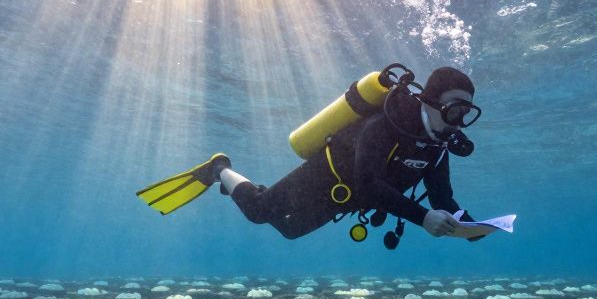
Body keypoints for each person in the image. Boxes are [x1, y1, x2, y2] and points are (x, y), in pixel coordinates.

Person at [137, 66, 483, 245]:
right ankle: (219, 169)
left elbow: (443, 197)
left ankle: (239, 182)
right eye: (455, 111)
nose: (459, 123)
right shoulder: (384, 125)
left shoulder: (438, 146)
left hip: (346, 199)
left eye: (466, 114)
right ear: (430, 101)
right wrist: (422, 218)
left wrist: (471, 224)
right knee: (259, 212)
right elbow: (369, 182)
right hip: (325, 176)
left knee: (289, 232)